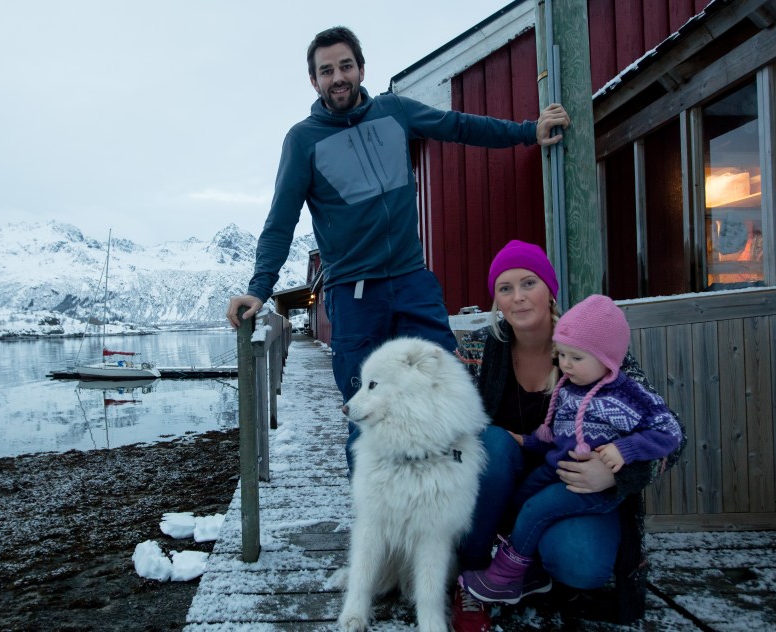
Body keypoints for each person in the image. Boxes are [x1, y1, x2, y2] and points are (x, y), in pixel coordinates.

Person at [224, 26, 571, 467]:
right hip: (354, 296)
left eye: (345, 66)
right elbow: (280, 222)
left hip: (412, 281)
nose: (337, 77)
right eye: (326, 70)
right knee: (367, 415)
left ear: (362, 69)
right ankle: (381, 531)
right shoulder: (302, 140)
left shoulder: (394, 112)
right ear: (314, 81)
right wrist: (259, 288)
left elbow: (460, 126)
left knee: (443, 392)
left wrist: (528, 132)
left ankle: (445, 519)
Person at [452, 240, 686, 631]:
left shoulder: (591, 345)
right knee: (490, 441)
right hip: (498, 486)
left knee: (583, 564)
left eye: (529, 283)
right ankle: (472, 575)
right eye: (505, 288)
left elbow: (671, 435)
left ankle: (530, 568)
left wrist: (616, 472)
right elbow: (451, 421)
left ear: (550, 290)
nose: (518, 297)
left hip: (570, 486)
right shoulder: (479, 348)